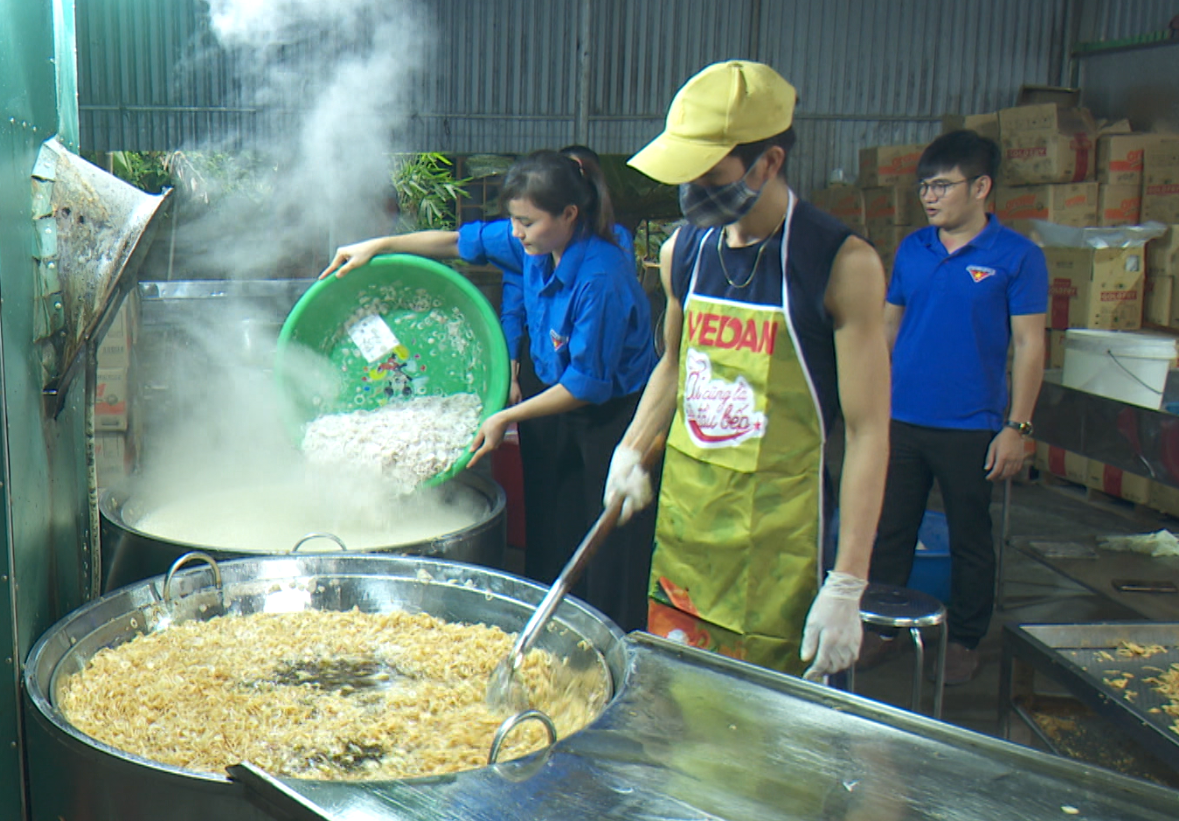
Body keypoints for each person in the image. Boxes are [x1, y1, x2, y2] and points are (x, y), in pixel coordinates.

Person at [602, 60, 891, 680]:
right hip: (687, 534)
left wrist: (847, 583)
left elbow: (869, 433)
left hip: (779, 548)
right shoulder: (686, 251)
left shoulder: (840, 265)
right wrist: (630, 450)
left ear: (769, 162)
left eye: (710, 173)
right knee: (678, 711)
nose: (692, 189)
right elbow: (674, 368)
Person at [319, 150, 658, 632]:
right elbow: (457, 241)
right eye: (513, 221)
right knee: (550, 518)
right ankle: (548, 628)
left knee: (604, 534)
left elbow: (588, 383)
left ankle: (611, 640)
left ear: (568, 214)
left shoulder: (601, 275)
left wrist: (501, 417)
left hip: (611, 412)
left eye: (527, 222)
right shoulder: (534, 244)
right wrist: (378, 244)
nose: (517, 233)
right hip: (553, 387)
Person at [865, 130, 1047, 685]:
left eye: (942, 185)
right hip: (901, 418)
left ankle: (966, 640)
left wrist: (1016, 427)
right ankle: (880, 631)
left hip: (973, 426)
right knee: (891, 529)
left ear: (982, 187)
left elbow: (1030, 345)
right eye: (925, 186)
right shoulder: (913, 249)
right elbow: (888, 326)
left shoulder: (1017, 257)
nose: (929, 196)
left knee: (971, 536)